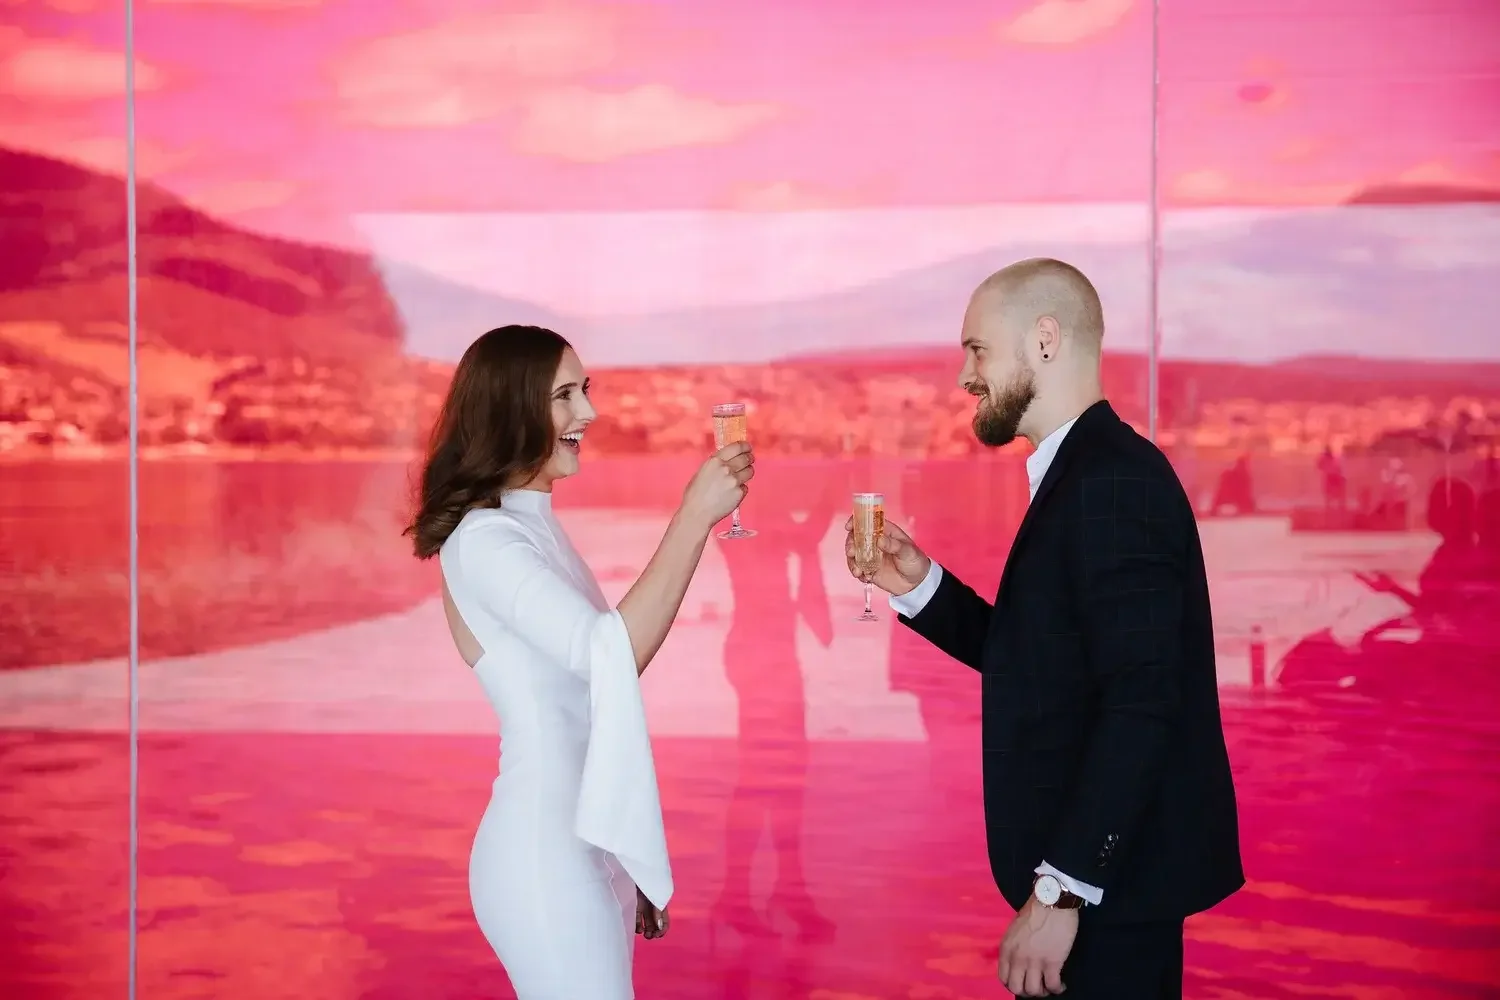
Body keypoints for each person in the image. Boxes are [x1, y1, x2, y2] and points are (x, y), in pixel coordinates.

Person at [845, 260, 1243, 998]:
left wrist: (1064, 889)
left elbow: (1141, 701)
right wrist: (919, 585)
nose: (964, 376)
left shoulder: (1111, 483)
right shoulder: (1089, 473)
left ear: (1046, 340)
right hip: (1104, 892)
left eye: (977, 350)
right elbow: (1048, 664)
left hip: (1110, 899)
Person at [405, 325, 754, 999]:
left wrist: (625, 850)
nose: (588, 413)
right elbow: (611, 655)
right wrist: (692, 518)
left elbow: (600, 687)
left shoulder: (530, 527)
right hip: (544, 857)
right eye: (565, 395)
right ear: (513, 409)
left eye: (584, 390)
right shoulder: (485, 541)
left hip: (586, 844)